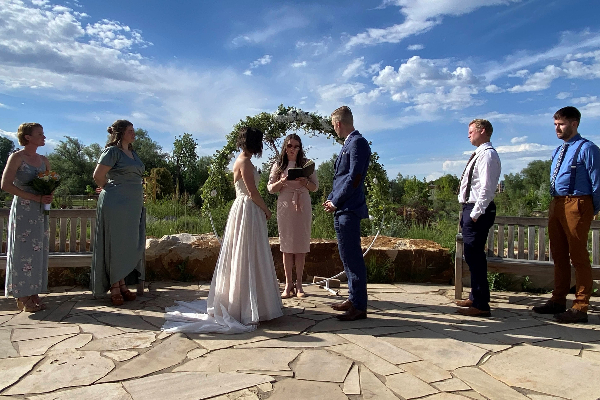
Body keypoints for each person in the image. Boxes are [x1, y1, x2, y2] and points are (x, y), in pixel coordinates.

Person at [162, 127, 283, 333]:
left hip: (246, 210)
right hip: (246, 209)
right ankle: (242, 305)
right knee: (243, 254)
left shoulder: (244, 160)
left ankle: (254, 304)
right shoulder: (244, 162)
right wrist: (267, 210)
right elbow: (252, 192)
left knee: (249, 254)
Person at [532, 106, 600, 323]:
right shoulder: (559, 150)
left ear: (574, 123)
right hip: (557, 203)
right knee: (559, 254)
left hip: (578, 202)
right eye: (555, 124)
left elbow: (598, 182)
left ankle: (580, 307)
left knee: (578, 256)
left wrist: (592, 209)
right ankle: (558, 299)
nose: (557, 128)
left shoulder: (587, 148)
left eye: (561, 124)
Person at [91, 120, 145, 306]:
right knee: (116, 243)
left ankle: (122, 283)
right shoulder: (111, 152)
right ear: (120, 133)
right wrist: (111, 188)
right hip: (115, 204)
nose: (134, 134)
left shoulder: (133, 153)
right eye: (130, 131)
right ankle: (115, 285)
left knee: (127, 243)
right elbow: (98, 176)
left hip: (133, 205)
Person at [324, 106, 371, 321]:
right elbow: (341, 178)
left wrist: (336, 201)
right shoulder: (349, 144)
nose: (334, 129)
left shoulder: (358, 143)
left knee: (353, 258)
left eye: (334, 125)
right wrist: (332, 198)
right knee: (347, 256)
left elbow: (354, 177)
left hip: (349, 208)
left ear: (339, 123)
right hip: (343, 207)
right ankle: (353, 298)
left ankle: (359, 306)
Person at [1, 123, 53, 312]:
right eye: (40, 134)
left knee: (38, 251)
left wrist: (48, 196)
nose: (44, 137)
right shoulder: (17, 157)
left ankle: (34, 291)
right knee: (22, 250)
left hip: (40, 211)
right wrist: (33, 197)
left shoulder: (44, 160)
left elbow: (49, 184)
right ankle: (21, 294)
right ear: (28, 137)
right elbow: (5, 185)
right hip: (24, 209)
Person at [455, 119, 501, 317]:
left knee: (475, 257)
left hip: (477, 210)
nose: (468, 135)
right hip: (470, 208)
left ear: (482, 131)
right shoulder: (479, 154)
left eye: (471, 131)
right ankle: (475, 297)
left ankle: (481, 305)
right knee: (472, 256)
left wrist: (475, 213)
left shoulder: (488, 155)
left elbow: (487, 187)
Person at [267, 134, 319, 298]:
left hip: (302, 203)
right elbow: (270, 189)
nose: (293, 149)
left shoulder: (306, 164)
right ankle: (288, 284)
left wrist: (304, 181)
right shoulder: (279, 164)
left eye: (296, 146)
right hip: (285, 205)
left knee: (301, 246)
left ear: (300, 148)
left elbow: (315, 187)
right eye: (290, 146)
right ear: (285, 147)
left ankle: (299, 285)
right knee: (287, 246)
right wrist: (282, 181)